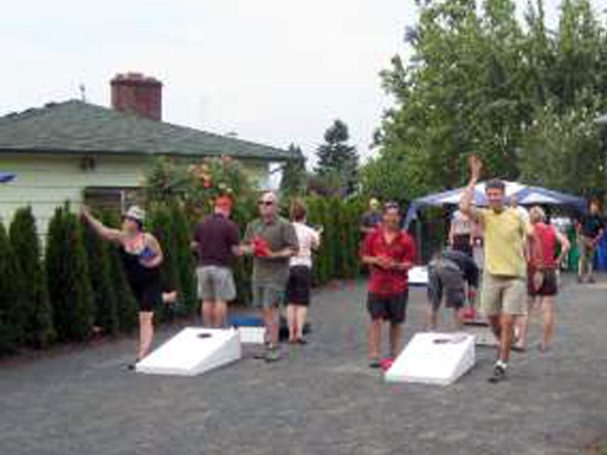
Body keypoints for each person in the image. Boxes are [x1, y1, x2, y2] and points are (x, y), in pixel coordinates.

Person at [460, 155, 532, 383]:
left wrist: (538, 267)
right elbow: (463, 206)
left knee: (507, 321)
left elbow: (532, 237)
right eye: (489, 195)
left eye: (496, 194)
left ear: (503, 195)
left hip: (515, 278)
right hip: (492, 275)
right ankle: (506, 342)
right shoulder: (485, 216)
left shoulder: (517, 216)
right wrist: (473, 177)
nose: (493, 198)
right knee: (492, 320)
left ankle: (501, 363)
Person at [82, 205, 163, 368]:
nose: (125, 221)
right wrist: (88, 217)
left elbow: (160, 256)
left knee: (145, 317)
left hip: (151, 281)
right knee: (144, 314)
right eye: (125, 219)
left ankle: (142, 354)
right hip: (134, 284)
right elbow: (103, 230)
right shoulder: (121, 237)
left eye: (129, 219)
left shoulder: (147, 238)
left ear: (137, 223)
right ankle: (165, 297)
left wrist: (151, 262)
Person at [241, 192, 298, 362]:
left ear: (277, 206)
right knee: (262, 309)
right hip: (258, 273)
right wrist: (250, 250)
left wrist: (274, 254)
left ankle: (273, 346)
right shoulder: (253, 225)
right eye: (261, 203)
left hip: (277, 274)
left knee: (270, 308)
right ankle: (269, 341)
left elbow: (294, 249)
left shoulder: (285, 225)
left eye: (268, 203)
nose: (264, 206)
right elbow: (245, 246)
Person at [361, 202, 416, 368]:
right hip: (377, 285)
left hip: (398, 286)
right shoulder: (373, 236)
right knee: (375, 320)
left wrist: (396, 265)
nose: (392, 218)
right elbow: (364, 256)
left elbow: (411, 263)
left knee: (396, 321)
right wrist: (376, 260)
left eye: (395, 215)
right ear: (383, 216)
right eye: (389, 214)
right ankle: (375, 354)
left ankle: (394, 354)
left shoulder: (406, 239)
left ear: (399, 218)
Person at [515, 206, 570, 352]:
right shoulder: (552, 229)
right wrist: (558, 260)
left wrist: (527, 261)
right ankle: (544, 344)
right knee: (547, 309)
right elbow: (566, 245)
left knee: (527, 308)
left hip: (534, 270)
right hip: (550, 270)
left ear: (531, 218)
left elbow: (523, 250)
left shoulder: (530, 230)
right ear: (543, 216)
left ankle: (521, 341)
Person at [192, 195, 240, 328]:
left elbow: (194, 245)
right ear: (227, 209)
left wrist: (204, 249)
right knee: (220, 300)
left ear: (215, 208)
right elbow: (236, 250)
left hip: (203, 267)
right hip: (221, 267)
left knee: (206, 300)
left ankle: (209, 328)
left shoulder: (201, 223)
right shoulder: (230, 225)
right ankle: (218, 330)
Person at [286, 200, 321, 344]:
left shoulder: (286, 229)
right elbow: (316, 246)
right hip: (304, 267)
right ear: (304, 215)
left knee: (290, 302)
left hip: (288, 266)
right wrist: (318, 234)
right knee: (301, 302)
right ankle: (299, 333)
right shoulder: (309, 230)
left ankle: (290, 334)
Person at [426, 249, 479, 331]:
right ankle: (460, 333)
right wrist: (472, 308)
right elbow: (472, 290)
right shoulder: (474, 269)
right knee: (458, 305)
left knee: (433, 303)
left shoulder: (461, 257)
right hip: (450, 267)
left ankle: (431, 330)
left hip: (433, 264)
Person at [576, 200, 604, 284]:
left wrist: (596, 240)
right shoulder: (585, 215)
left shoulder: (599, 218)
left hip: (593, 239)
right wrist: (577, 238)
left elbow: (601, 231)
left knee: (591, 259)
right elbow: (579, 227)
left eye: (596, 206)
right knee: (582, 257)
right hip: (583, 238)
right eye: (593, 206)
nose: (594, 207)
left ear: (598, 208)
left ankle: (590, 277)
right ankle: (580, 276)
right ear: (590, 207)